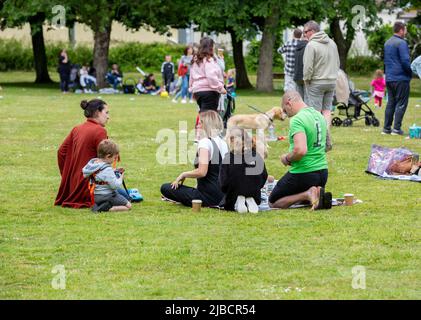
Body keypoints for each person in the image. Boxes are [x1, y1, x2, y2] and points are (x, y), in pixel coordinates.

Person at [269, 91, 331, 210]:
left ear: (289, 103)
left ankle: (307, 193)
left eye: (285, 111)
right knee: (298, 199)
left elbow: (300, 150)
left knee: (273, 201)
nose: (287, 115)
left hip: (304, 173)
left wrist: (286, 158)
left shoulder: (297, 119)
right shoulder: (319, 115)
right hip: (322, 173)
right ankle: (315, 193)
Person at [160, 110, 229, 207]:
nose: (197, 125)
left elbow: (202, 172)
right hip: (224, 195)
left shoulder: (205, 142)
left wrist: (184, 174)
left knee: (165, 188)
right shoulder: (223, 142)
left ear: (207, 124)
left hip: (209, 196)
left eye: (200, 122)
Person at [55, 99, 109, 208]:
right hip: (88, 187)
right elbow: (106, 159)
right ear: (98, 113)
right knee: (122, 196)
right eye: (106, 112)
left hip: (72, 186)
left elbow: (61, 152)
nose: (108, 117)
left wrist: (68, 178)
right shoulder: (99, 131)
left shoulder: (77, 129)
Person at [303, 20, 340, 151]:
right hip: (331, 81)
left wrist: (306, 80)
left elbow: (308, 67)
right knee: (326, 111)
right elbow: (338, 63)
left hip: (316, 82)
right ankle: (325, 138)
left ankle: (320, 141)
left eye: (305, 32)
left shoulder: (311, 45)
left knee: (315, 113)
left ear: (312, 31)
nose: (304, 35)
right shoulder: (332, 43)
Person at [219, 128, 268, 213]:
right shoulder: (256, 156)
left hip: (233, 194)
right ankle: (250, 199)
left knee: (232, 194)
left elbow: (223, 183)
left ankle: (239, 201)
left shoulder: (228, 158)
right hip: (254, 192)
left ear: (231, 141)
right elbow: (264, 176)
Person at [82, 139, 132, 212]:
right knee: (128, 206)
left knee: (122, 198)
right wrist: (121, 177)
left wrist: (114, 170)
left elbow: (101, 175)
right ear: (108, 156)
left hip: (96, 196)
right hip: (108, 195)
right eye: (114, 158)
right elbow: (115, 185)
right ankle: (109, 209)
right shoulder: (107, 169)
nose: (114, 160)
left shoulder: (94, 163)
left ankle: (102, 205)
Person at [382, 21, 413, 136]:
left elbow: (385, 61)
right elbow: (405, 61)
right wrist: (410, 72)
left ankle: (386, 128)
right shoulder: (402, 43)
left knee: (391, 102)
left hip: (390, 78)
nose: (406, 32)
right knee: (401, 103)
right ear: (401, 30)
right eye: (405, 29)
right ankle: (396, 129)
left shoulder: (387, 42)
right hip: (401, 77)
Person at [189, 37, 226, 112]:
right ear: (211, 47)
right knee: (209, 118)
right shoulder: (209, 59)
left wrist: (192, 88)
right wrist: (220, 88)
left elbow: (191, 76)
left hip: (197, 91)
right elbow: (211, 76)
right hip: (209, 91)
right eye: (213, 46)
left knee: (203, 115)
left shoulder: (196, 59)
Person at [293, 31, 309, 99]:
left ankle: (300, 109)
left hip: (297, 76)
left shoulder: (297, 47)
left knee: (299, 99)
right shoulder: (309, 46)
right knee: (307, 99)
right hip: (305, 76)